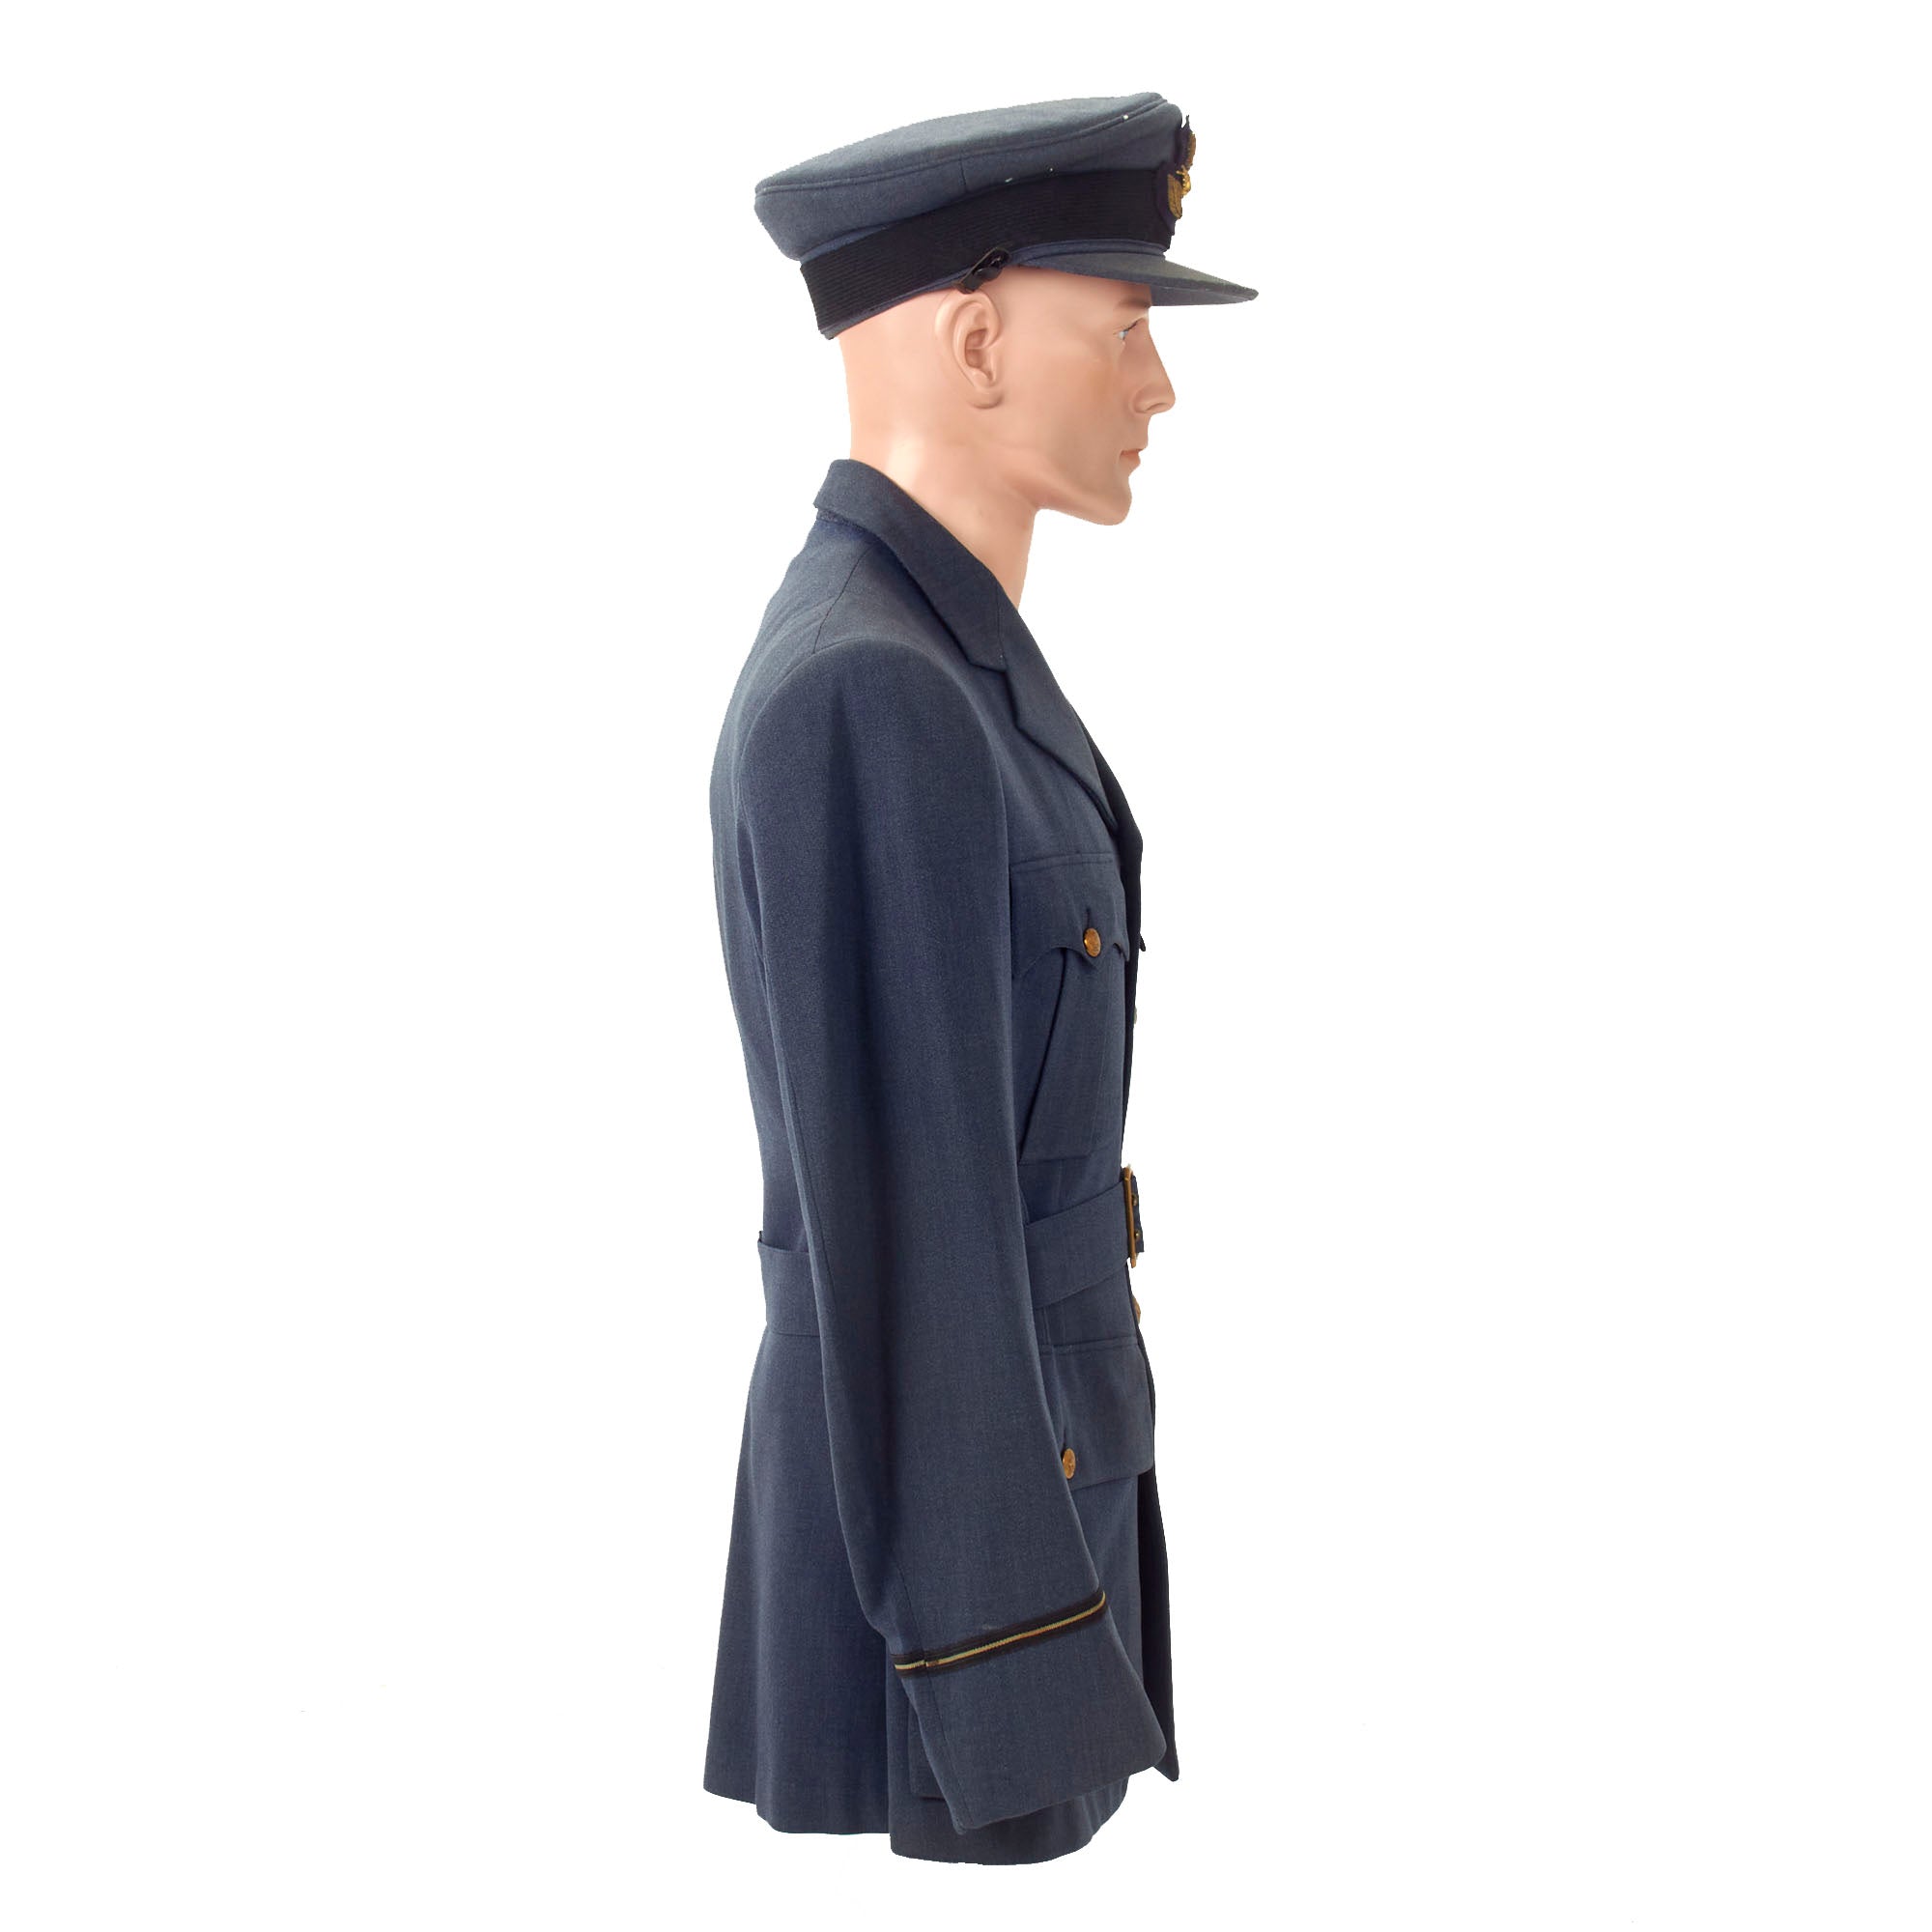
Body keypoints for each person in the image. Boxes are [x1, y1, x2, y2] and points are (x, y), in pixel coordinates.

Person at [700, 92, 1258, 1865]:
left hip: (1031, 1490)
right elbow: (917, 1238)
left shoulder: (944, 659)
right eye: (1127, 325)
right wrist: (1005, 1676)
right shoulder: (872, 690)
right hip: (947, 1593)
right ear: (975, 342)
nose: (1158, 387)